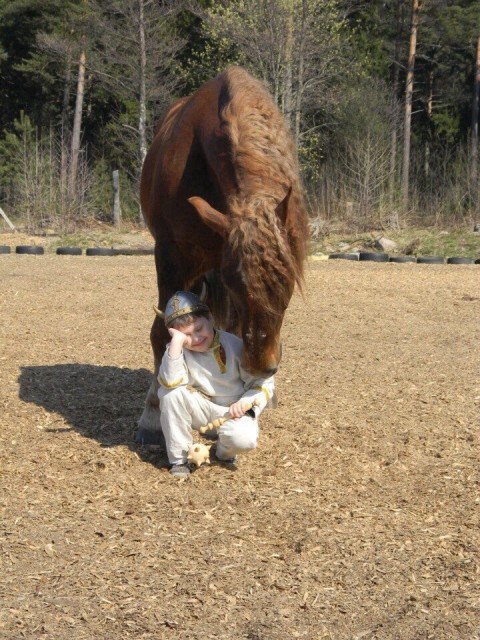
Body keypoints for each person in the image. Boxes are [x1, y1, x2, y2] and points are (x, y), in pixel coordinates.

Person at [155, 291, 275, 478]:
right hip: (201, 410)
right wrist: (177, 343)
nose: (195, 338)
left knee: (244, 440)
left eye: (199, 328)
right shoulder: (177, 352)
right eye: (186, 335)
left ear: (210, 317)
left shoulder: (235, 345)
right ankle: (180, 459)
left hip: (233, 412)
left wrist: (246, 403)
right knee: (170, 394)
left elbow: (262, 382)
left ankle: (223, 452)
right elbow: (170, 383)